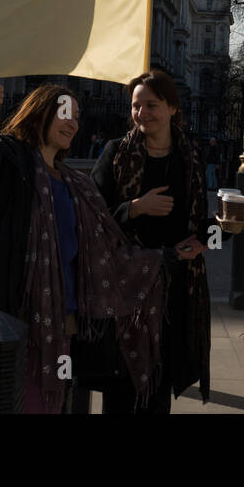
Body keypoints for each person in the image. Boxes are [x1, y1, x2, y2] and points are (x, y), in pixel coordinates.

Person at [0, 75, 167, 413]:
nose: (73, 123)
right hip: (14, 320)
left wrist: (164, 257)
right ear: (40, 113)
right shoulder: (9, 160)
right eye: (65, 113)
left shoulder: (75, 183)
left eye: (77, 118)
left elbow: (107, 246)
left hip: (64, 324)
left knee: (52, 404)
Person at [91, 70, 211, 413]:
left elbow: (203, 223)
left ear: (172, 108)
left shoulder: (190, 158)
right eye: (136, 105)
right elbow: (92, 217)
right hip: (127, 284)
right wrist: (135, 208)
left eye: (151, 105)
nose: (142, 113)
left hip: (174, 285)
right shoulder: (115, 153)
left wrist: (211, 238)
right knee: (122, 382)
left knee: (158, 382)